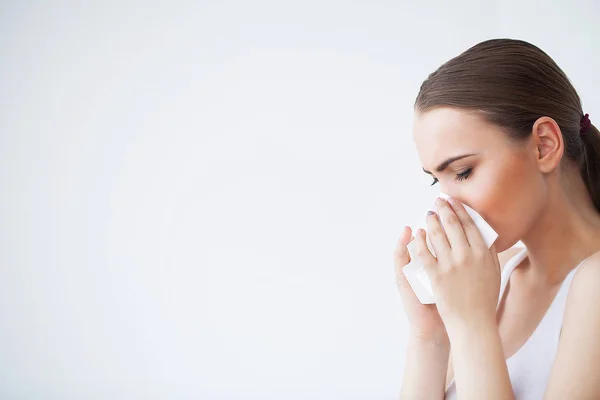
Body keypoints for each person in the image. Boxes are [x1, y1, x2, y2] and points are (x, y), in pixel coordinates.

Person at [394, 38, 600, 399]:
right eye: (434, 179)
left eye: (462, 171)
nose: (446, 203)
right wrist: (431, 335)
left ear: (544, 145)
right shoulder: (493, 274)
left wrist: (472, 325)